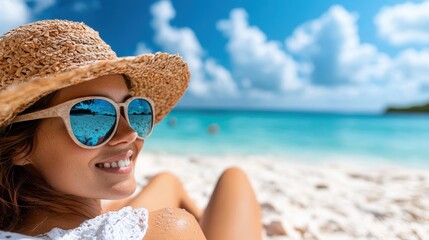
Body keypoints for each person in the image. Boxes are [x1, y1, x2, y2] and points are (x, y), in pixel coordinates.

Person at [0, 20, 262, 239]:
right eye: (93, 113)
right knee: (234, 177)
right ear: (20, 145)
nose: (130, 134)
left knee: (166, 180)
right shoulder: (173, 231)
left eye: (134, 110)